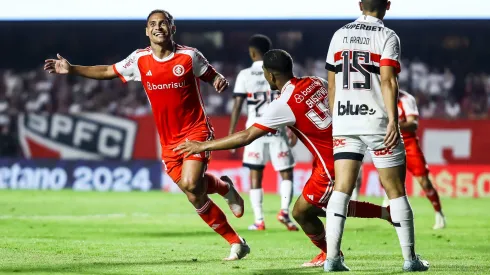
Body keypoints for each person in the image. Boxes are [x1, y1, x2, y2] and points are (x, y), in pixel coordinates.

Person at [44, 9, 250, 261]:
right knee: (193, 193)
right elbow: (108, 71)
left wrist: (218, 80)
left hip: (195, 130)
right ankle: (233, 226)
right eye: (152, 24)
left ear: (172, 28)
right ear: (146, 30)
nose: (158, 27)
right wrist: (73, 69)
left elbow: (210, 75)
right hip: (168, 140)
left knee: (189, 183)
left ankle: (230, 221)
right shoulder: (139, 60)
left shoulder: (189, 56)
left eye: (163, 23)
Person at [175, 49, 392, 268]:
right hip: (340, 152)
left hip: (330, 163)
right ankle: (379, 217)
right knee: (317, 207)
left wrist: (202, 145)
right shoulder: (315, 81)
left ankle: (334, 252)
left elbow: (246, 136)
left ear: (270, 75)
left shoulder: (283, 104)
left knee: (303, 211)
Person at [324, 0, 429, 272]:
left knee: (341, 190)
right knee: (395, 191)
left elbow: (332, 83)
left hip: (345, 120)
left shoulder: (339, 35)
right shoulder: (387, 36)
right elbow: (387, 80)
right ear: (388, 6)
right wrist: (394, 119)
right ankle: (410, 260)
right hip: (377, 121)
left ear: (360, 4)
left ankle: (332, 259)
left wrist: (337, 120)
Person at [229, 34, 298, 231]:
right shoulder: (277, 71)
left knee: (255, 174)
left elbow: (237, 105)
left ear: (252, 53)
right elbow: (289, 100)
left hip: (255, 130)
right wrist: (293, 128)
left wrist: (233, 131)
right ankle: (284, 211)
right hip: (278, 128)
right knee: (286, 173)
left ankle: (259, 220)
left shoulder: (244, 75)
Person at [353, 90, 447, 230]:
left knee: (424, 182)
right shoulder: (377, 99)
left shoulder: (406, 99)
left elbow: (413, 124)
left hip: (409, 144)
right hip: (389, 143)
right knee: (384, 177)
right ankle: (389, 203)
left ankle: (439, 213)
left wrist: (392, 125)